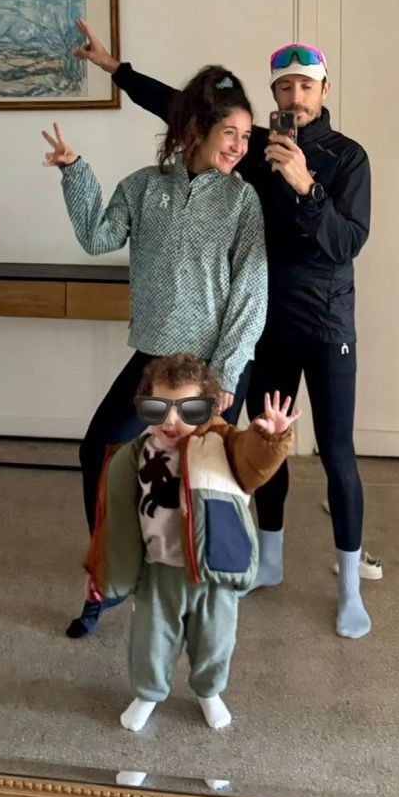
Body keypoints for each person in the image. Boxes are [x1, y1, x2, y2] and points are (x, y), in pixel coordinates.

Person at [72, 27, 375, 640]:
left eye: (306, 85)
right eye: (285, 86)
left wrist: (306, 186)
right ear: (274, 93)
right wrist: (117, 69)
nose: (295, 96)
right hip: (265, 329)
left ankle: (348, 584)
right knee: (257, 450)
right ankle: (262, 560)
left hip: (321, 324)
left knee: (333, 454)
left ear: (324, 90)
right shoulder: (253, 146)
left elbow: (347, 243)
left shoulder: (348, 158)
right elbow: (183, 108)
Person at [42, 65, 268, 637]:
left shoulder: (242, 201)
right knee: (100, 452)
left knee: (202, 481)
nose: (240, 147)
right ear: (196, 130)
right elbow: (97, 236)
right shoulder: (144, 187)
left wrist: (225, 376)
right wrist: (75, 171)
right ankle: (113, 572)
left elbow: (250, 293)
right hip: (153, 361)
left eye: (246, 136)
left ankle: (201, 595)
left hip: (212, 369)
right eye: (230, 134)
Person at [84, 353, 297, 731]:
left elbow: (255, 463)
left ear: (209, 410)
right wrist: (104, 571)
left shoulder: (224, 445)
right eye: (157, 408)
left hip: (212, 573)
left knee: (216, 640)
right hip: (158, 570)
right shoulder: (135, 455)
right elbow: (116, 520)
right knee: (150, 641)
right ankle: (148, 693)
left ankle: (209, 691)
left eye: (189, 410)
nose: (171, 420)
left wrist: (270, 437)